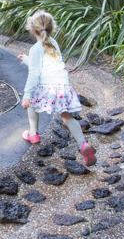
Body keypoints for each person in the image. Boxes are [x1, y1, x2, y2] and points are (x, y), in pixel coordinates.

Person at [17, 10, 96, 166]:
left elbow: (34, 74)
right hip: (62, 86)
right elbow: (48, 65)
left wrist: (26, 96)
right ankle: (83, 144)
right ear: (52, 28)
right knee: (66, 116)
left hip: (47, 85)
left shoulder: (35, 48)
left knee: (32, 101)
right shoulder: (53, 43)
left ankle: (33, 133)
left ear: (32, 30)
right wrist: (27, 60)